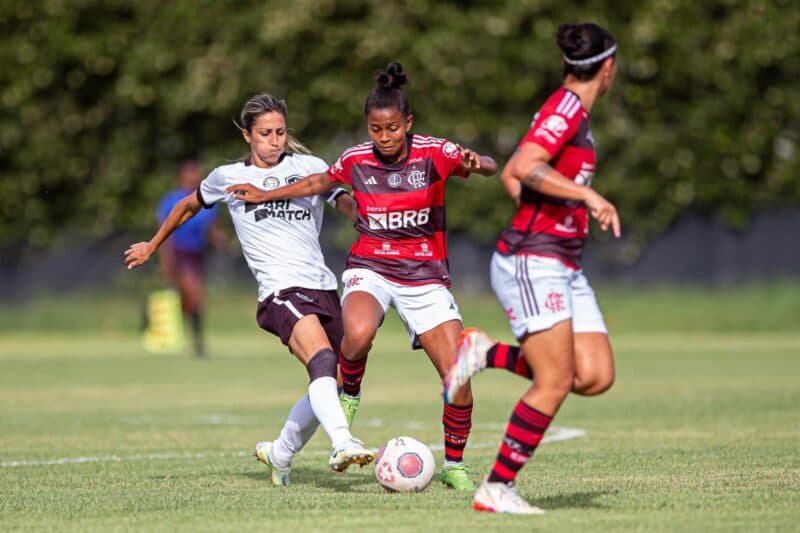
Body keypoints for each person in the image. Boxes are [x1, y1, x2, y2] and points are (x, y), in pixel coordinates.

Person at [226, 62, 498, 491]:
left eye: (392, 128)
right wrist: (266, 192)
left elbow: (488, 164)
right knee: (356, 332)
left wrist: (476, 163)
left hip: (425, 276)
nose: (385, 138)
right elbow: (317, 181)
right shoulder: (356, 158)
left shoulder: (435, 152)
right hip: (370, 266)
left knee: (456, 377)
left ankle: (455, 464)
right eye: (376, 129)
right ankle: (349, 394)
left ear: (408, 124)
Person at [125, 94, 374, 485]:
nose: (274, 140)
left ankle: (280, 453)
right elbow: (188, 205)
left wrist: (363, 218)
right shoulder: (226, 177)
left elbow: (341, 198)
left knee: (339, 378)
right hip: (280, 291)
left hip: (324, 286)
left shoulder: (309, 167)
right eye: (264, 133)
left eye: (279, 132)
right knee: (322, 360)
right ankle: (342, 442)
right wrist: (153, 244)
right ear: (247, 135)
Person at [443, 23, 621, 514]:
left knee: (595, 373)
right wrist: (582, 196)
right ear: (608, 68)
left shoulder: (575, 113)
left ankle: (486, 352)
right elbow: (522, 165)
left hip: (563, 262)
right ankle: (496, 488)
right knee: (555, 380)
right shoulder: (566, 107)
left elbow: (513, 175)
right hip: (532, 259)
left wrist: (551, 214)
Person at [155, 159, 225, 357]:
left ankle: (184, 337)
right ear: (182, 176)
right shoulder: (171, 200)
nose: (195, 177)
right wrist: (165, 262)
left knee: (189, 300)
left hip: (198, 254)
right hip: (180, 254)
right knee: (196, 296)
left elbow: (212, 227)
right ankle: (198, 343)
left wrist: (218, 238)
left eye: (197, 173)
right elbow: (163, 232)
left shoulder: (205, 199)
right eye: (190, 173)